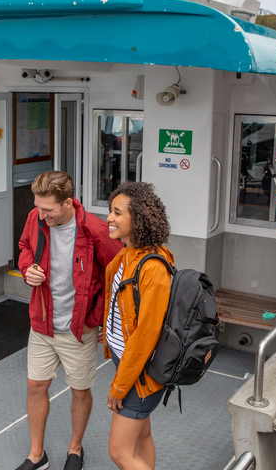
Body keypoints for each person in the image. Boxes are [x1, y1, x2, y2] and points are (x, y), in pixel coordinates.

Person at [17, 170, 123, 470]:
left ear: (68, 203)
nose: (42, 215)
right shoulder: (35, 219)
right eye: (38, 207)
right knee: (35, 387)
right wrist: (28, 269)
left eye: (48, 209)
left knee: (79, 391)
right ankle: (36, 454)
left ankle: (75, 449)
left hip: (78, 329)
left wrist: (95, 317)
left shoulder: (97, 231)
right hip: (42, 323)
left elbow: (118, 276)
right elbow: (25, 247)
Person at [104, 181, 173, 470]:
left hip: (139, 375)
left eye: (117, 213)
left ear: (139, 219)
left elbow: (146, 336)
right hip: (128, 365)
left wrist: (119, 387)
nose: (109, 217)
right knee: (142, 434)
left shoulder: (153, 269)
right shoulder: (127, 255)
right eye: (110, 210)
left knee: (119, 452)